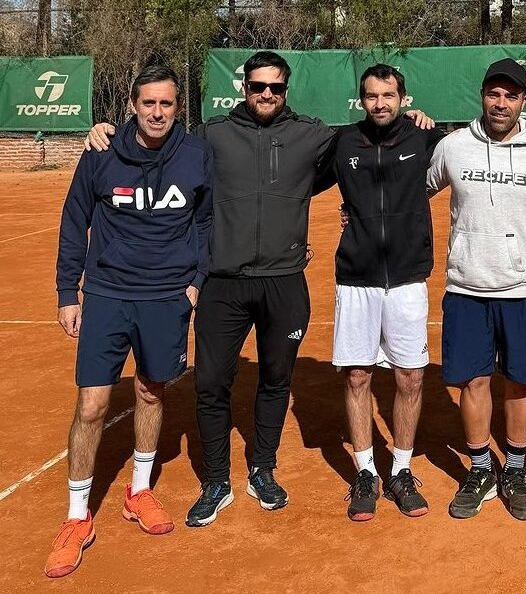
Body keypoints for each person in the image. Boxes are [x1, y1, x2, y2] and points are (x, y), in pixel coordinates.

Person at [86, 51, 335, 526]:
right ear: (245, 88)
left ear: (287, 90)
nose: (267, 94)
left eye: (276, 88)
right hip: (222, 284)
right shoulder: (211, 136)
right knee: (210, 384)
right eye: (258, 86)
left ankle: (263, 467)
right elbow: (156, 142)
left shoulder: (311, 134)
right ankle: (217, 480)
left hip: (284, 283)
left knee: (276, 380)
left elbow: (365, 141)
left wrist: (414, 120)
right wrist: (108, 130)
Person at [47, 65, 213, 577]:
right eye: (149, 104)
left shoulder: (195, 154)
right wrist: (66, 293)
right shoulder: (101, 151)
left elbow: (206, 220)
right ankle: (77, 517)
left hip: (166, 297)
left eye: (166, 103)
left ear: (177, 107)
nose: (157, 112)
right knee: (93, 404)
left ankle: (139, 491)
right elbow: (76, 221)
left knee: (150, 391)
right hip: (106, 296)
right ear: (133, 105)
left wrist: (195, 282)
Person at [426, 58, 526, 521]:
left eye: (511, 95)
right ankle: (480, 467)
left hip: (524, 287)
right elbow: (412, 190)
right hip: (466, 285)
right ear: (483, 96)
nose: (501, 103)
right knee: (473, 380)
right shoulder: (453, 147)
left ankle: (514, 467)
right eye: (494, 93)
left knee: (520, 381)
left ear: (524, 100)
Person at [330, 64, 446, 521]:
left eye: (389, 95)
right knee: (357, 376)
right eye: (372, 96)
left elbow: (480, 143)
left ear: (404, 98)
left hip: (407, 279)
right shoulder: (343, 143)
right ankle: (365, 472)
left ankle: (400, 469)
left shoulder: (426, 139)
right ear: (362, 99)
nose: (381, 103)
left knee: (410, 378)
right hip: (355, 278)